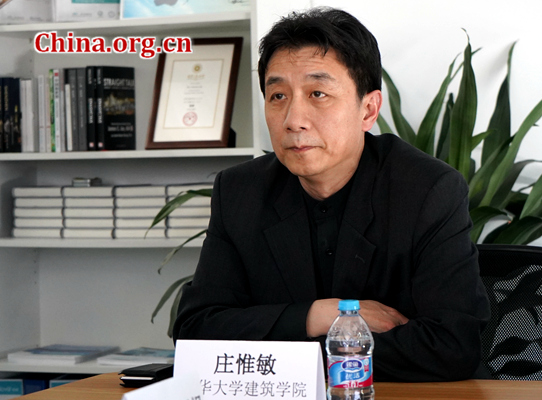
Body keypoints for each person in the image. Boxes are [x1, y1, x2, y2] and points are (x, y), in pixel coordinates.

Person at [173, 7, 490, 382]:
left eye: (318, 93)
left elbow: (452, 344)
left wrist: (284, 346)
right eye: (278, 96)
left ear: (368, 109)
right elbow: (195, 332)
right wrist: (322, 316)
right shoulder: (240, 192)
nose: (293, 120)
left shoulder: (427, 190)